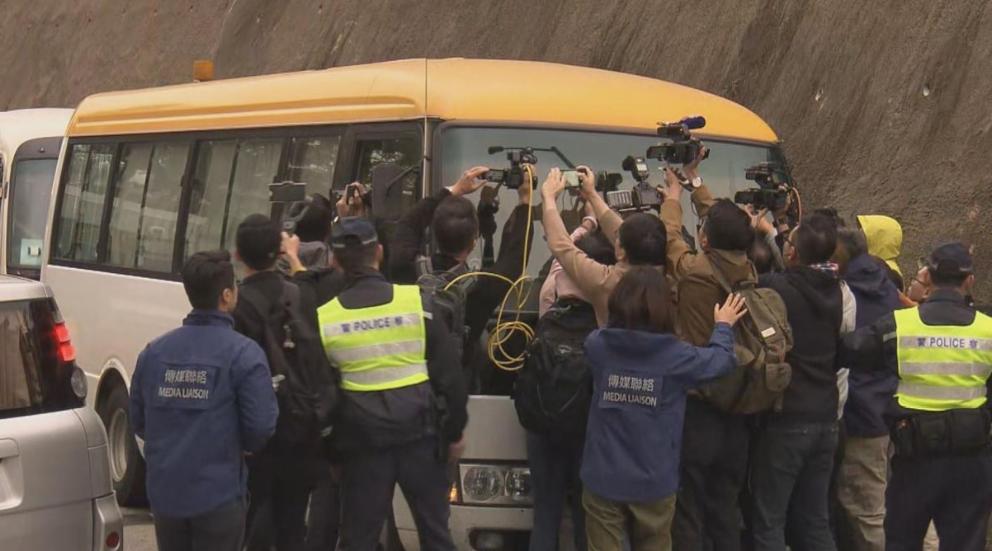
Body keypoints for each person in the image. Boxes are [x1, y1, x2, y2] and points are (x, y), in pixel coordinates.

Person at [315, 217, 468, 551]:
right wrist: (455, 433)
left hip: (363, 449)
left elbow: (323, 401)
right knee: (436, 536)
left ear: (335, 261)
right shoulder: (418, 304)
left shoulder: (325, 319)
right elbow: (451, 378)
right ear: (380, 253)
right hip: (422, 440)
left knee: (358, 540)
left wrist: (333, 456)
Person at [581, 267, 747, 551]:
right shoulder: (676, 356)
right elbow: (721, 361)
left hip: (603, 476)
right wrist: (723, 326)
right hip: (654, 480)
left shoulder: (598, 346)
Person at [842, 242, 992, 550]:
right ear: (969, 281)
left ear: (928, 277)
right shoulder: (988, 329)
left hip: (915, 458)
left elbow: (849, 351)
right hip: (971, 458)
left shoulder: (900, 325)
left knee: (902, 540)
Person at [129, 251, 278, 551]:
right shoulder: (244, 354)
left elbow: (140, 422)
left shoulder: (154, 353)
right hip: (218, 497)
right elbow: (261, 427)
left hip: (166, 495)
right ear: (227, 296)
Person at [655, 160, 759, 551]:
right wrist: (696, 181)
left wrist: (673, 196)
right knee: (725, 509)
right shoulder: (750, 268)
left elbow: (669, 236)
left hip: (698, 407)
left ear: (705, 238)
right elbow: (728, 225)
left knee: (689, 512)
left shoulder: (695, 271)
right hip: (737, 401)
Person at [750, 212, 854, 551]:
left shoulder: (777, 287)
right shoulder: (837, 290)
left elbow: (761, 280)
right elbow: (798, 273)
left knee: (769, 521)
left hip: (789, 417)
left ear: (793, 252)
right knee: (815, 520)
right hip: (826, 415)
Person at [386, 166, 534, 389]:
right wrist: (525, 200)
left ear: (434, 233)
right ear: (475, 241)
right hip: (455, 390)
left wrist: (454, 190)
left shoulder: (405, 267)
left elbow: (408, 224)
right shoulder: (482, 287)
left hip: (408, 385)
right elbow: (514, 257)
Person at [233, 215, 329, 551]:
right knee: (291, 526)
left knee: (248, 524)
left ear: (237, 254)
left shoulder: (236, 305)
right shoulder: (301, 295)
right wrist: (294, 257)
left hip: (255, 439)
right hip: (300, 429)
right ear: (280, 251)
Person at [833, 228, 901, 551]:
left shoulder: (846, 292)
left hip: (861, 412)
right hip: (888, 405)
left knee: (866, 507)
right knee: (890, 502)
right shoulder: (886, 285)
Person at [541, 166, 667, 326]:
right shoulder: (670, 278)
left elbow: (561, 246)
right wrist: (592, 195)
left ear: (621, 253)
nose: (615, 237)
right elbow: (632, 237)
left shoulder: (608, 283)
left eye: (618, 239)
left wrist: (549, 199)